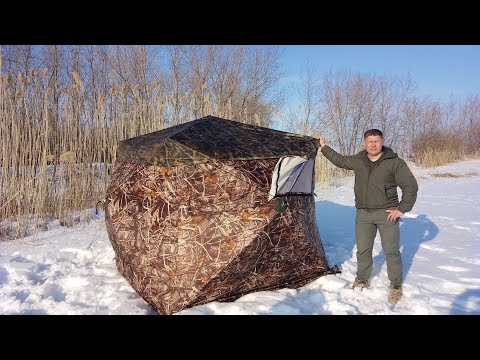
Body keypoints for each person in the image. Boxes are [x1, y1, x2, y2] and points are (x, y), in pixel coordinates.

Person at [316, 129, 418, 305]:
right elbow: (340, 160)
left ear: (382, 141)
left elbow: (411, 186)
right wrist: (323, 147)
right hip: (363, 214)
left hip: (387, 214)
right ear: (364, 143)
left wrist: (401, 209)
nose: (373, 144)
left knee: (391, 252)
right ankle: (362, 279)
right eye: (369, 141)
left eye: (376, 141)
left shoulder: (394, 162)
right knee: (363, 250)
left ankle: (395, 286)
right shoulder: (359, 160)